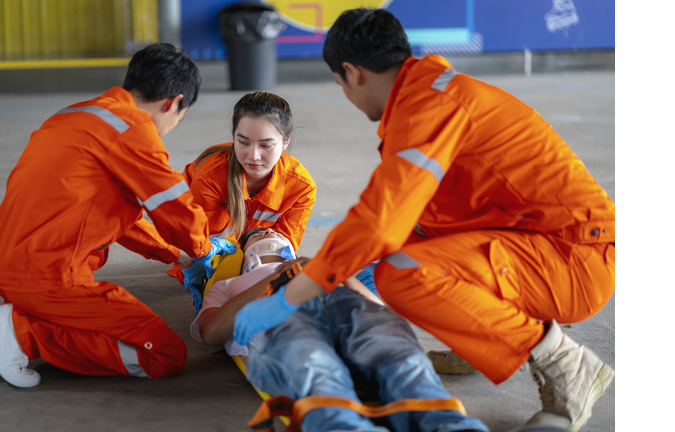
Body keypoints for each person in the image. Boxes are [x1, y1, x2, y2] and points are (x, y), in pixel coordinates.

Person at [233, 8, 615, 432]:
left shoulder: (428, 107)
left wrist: (289, 297)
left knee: (402, 275)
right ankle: (479, 335)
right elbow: (413, 216)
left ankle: (568, 365)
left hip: (577, 260)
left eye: (340, 84)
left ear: (351, 73)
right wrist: (345, 265)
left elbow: (379, 220)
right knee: (405, 245)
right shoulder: (427, 92)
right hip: (548, 243)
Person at [0, 43, 237, 388]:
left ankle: (9, 319)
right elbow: (175, 206)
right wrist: (203, 248)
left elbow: (118, 216)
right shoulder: (132, 129)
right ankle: (22, 333)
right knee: (165, 355)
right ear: (173, 103)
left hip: (6, 267)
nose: (172, 125)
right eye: (178, 118)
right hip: (54, 278)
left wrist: (176, 256)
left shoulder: (73, 117)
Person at [191, 227, 488, 432]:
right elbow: (211, 332)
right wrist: (278, 280)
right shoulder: (227, 285)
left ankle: (450, 425)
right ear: (244, 255)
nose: (268, 232)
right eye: (258, 233)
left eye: (274, 232)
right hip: (279, 317)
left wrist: (327, 271)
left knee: (399, 356)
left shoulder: (321, 265)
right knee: (315, 369)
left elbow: (379, 310)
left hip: (344, 303)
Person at [135, 91, 316, 312]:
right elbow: (206, 247)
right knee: (224, 274)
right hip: (201, 245)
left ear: (286, 140)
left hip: (242, 246)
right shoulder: (211, 176)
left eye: (266, 145)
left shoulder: (301, 187)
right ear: (234, 137)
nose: (253, 156)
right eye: (243, 142)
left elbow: (283, 246)